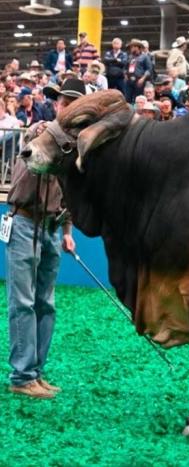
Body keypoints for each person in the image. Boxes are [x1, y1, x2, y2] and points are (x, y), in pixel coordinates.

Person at [5, 79, 83, 398]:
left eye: (72, 104)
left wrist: (67, 232)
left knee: (45, 303)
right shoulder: (41, 130)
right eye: (63, 102)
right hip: (25, 222)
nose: (64, 107)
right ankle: (22, 376)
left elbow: (72, 193)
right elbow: (35, 146)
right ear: (56, 105)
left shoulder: (76, 146)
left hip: (51, 226)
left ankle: (35, 372)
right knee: (23, 301)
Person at [125, 39, 153, 103]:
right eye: (131, 47)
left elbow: (149, 69)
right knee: (127, 98)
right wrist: (125, 74)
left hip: (139, 81)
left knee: (138, 98)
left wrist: (143, 78)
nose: (131, 49)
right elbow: (125, 67)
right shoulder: (130, 57)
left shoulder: (145, 57)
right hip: (129, 80)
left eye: (133, 47)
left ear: (138, 47)